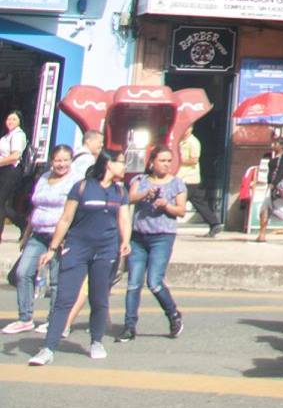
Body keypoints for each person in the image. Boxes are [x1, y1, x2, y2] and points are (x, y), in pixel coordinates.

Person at [27, 140, 131, 366]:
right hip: (77, 247)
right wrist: (52, 248)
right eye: (121, 162)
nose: (124, 167)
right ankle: (48, 348)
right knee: (64, 298)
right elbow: (65, 219)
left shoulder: (120, 191)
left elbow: (124, 218)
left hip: (106, 249)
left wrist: (125, 241)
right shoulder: (82, 187)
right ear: (108, 163)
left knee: (99, 298)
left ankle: (96, 341)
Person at [6, 144, 78, 335]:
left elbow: (73, 213)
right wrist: (26, 234)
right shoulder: (45, 178)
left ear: (71, 160)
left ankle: (53, 320)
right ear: (52, 161)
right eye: (57, 160)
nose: (61, 164)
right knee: (22, 273)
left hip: (61, 236)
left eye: (65, 160)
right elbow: (35, 208)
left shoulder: (75, 181)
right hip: (38, 234)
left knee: (55, 281)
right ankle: (25, 318)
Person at [120, 145, 187, 341]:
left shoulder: (177, 184)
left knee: (154, 282)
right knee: (133, 283)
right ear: (152, 162)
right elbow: (128, 198)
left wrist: (166, 205)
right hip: (139, 236)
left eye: (169, 161)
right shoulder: (140, 180)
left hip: (162, 236)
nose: (166, 165)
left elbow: (181, 210)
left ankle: (173, 314)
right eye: (162, 161)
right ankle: (129, 325)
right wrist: (144, 195)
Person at [0, 112, 28, 244]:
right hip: (4, 169)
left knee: (1, 201)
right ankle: (22, 223)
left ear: (19, 121)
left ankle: (22, 223)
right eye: (8, 118)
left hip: (11, 170)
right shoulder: (7, 136)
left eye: (14, 119)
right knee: (2, 203)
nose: (10, 121)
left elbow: (15, 156)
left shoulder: (18, 135)